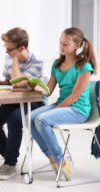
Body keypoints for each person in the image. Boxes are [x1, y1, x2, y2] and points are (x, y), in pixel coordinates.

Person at [30, 27, 97, 181]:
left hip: (78, 110)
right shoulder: (56, 65)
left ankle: (61, 160)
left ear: (77, 45)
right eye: (60, 43)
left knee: (41, 119)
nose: (61, 46)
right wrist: (37, 88)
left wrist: (54, 110)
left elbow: (74, 96)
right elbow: (48, 90)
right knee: (30, 117)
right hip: (63, 105)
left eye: (65, 43)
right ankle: (53, 158)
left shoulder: (84, 67)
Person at [0, 27, 44, 180]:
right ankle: (9, 156)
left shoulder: (36, 62)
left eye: (9, 49)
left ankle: (10, 163)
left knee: (14, 118)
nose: (6, 53)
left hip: (34, 102)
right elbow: (11, 80)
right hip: (15, 101)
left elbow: (19, 83)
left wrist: (16, 60)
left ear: (21, 49)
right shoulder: (9, 58)